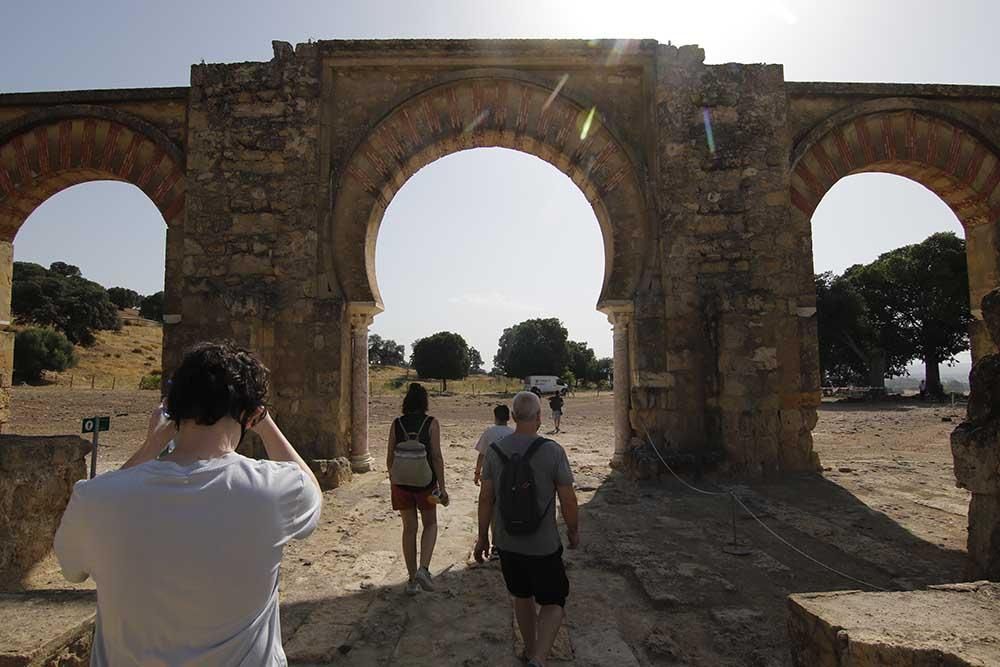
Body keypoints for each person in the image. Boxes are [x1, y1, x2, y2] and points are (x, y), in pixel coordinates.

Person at [54, 341, 322, 665]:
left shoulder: (95, 498)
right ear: (249, 414)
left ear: (172, 408)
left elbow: (72, 571)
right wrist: (264, 421)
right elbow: (311, 488)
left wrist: (151, 444)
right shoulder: (273, 491)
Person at [474, 391, 579, 667]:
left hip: (507, 542)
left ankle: (530, 649)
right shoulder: (553, 451)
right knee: (554, 600)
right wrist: (573, 530)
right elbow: (568, 499)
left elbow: (485, 498)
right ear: (540, 417)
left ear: (512, 417)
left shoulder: (495, 453)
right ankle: (539, 658)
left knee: (521, 595)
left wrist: (482, 537)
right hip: (543, 544)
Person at [387, 382, 447, 595]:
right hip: (426, 484)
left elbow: (389, 458)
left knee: (409, 529)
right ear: (424, 402)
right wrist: (442, 486)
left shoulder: (397, 424)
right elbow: (437, 457)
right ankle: (424, 569)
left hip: (401, 485)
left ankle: (412, 581)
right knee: (430, 524)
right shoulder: (431, 423)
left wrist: (395, 479)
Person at [473, 404, 515, 559]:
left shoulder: (489, 432)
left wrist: (477, 472)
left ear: (495, 416)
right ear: (509, 417)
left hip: (491, 475)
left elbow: (482, 455)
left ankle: (495, 544)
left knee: (490, 510)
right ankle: (505, 543)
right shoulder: (513, 432)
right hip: (510, 477)